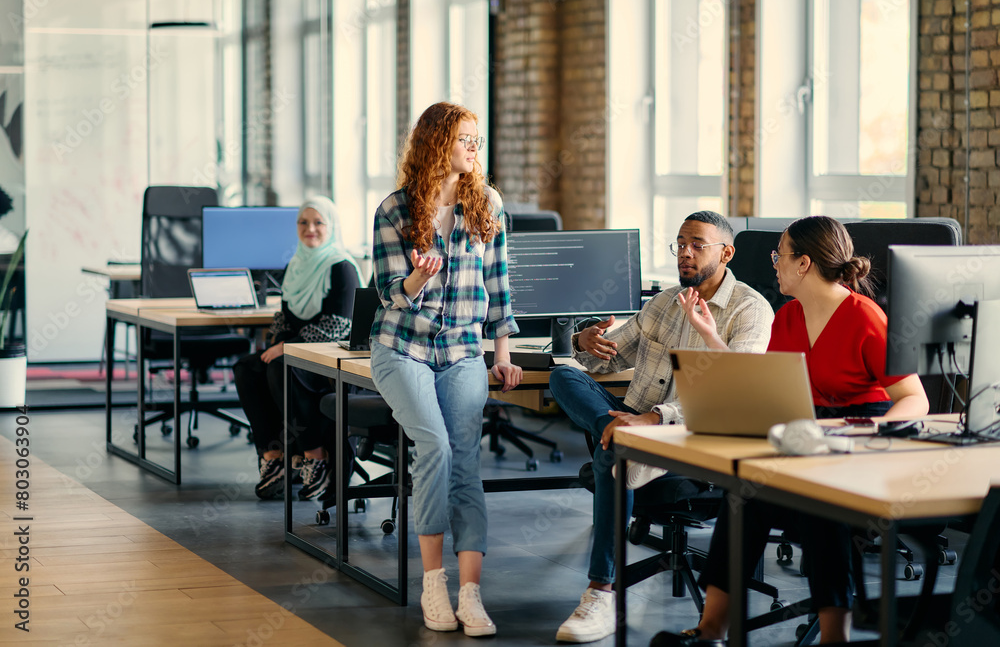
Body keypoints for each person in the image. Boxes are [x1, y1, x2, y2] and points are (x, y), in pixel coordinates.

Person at [653, 215, 929, 647]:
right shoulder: (789, 316)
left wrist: (857, 433)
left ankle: (835, 637)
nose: (773, 264)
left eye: (778, 255)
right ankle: (710, 631)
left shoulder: (864, 317)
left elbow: (915, 399)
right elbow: (760, 384)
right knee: (743, 491)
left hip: (859, 442)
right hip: (807, 435)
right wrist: (710, 335)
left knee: (824, 499)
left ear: (803, 264)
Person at [548, 211, 775, 644]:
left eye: (697, 244)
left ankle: (601, 591)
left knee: (611, 449)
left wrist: (655, 419)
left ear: (726, 253)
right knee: (564, 377)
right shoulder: (665, 302)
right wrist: (582, 340)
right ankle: (615, 430)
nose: (685, 253)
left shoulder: (751, 310)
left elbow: (736, 393)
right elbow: (604, 360)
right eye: (680, 243)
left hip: (693, 436)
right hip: (634, 419)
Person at [368, 101, 521, 638]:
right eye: (464, 140)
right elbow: (391, 295)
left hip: (462, 351)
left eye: (477, 140)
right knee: (432, 446)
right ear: (437, 143)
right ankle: (433, 582)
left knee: (464, 462)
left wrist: (501, 355)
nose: (474, 149)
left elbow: (498, 287)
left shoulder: (488, 204)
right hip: (402, 347)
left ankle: (470, 593)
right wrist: (418, 278)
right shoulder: (395, 210)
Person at [233, 196, 362, 501]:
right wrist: (277, 341)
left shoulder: (342, 268)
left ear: (332, 227)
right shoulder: (296, 265)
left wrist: (288, 348)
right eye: (303, 223)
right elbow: (284, 315)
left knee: (280, 365)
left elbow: (338, 326)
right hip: (296, 354)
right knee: (248, 368)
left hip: (329, 360)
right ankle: (273, 457)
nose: (310, 229)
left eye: (319, 222)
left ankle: (315, 457)